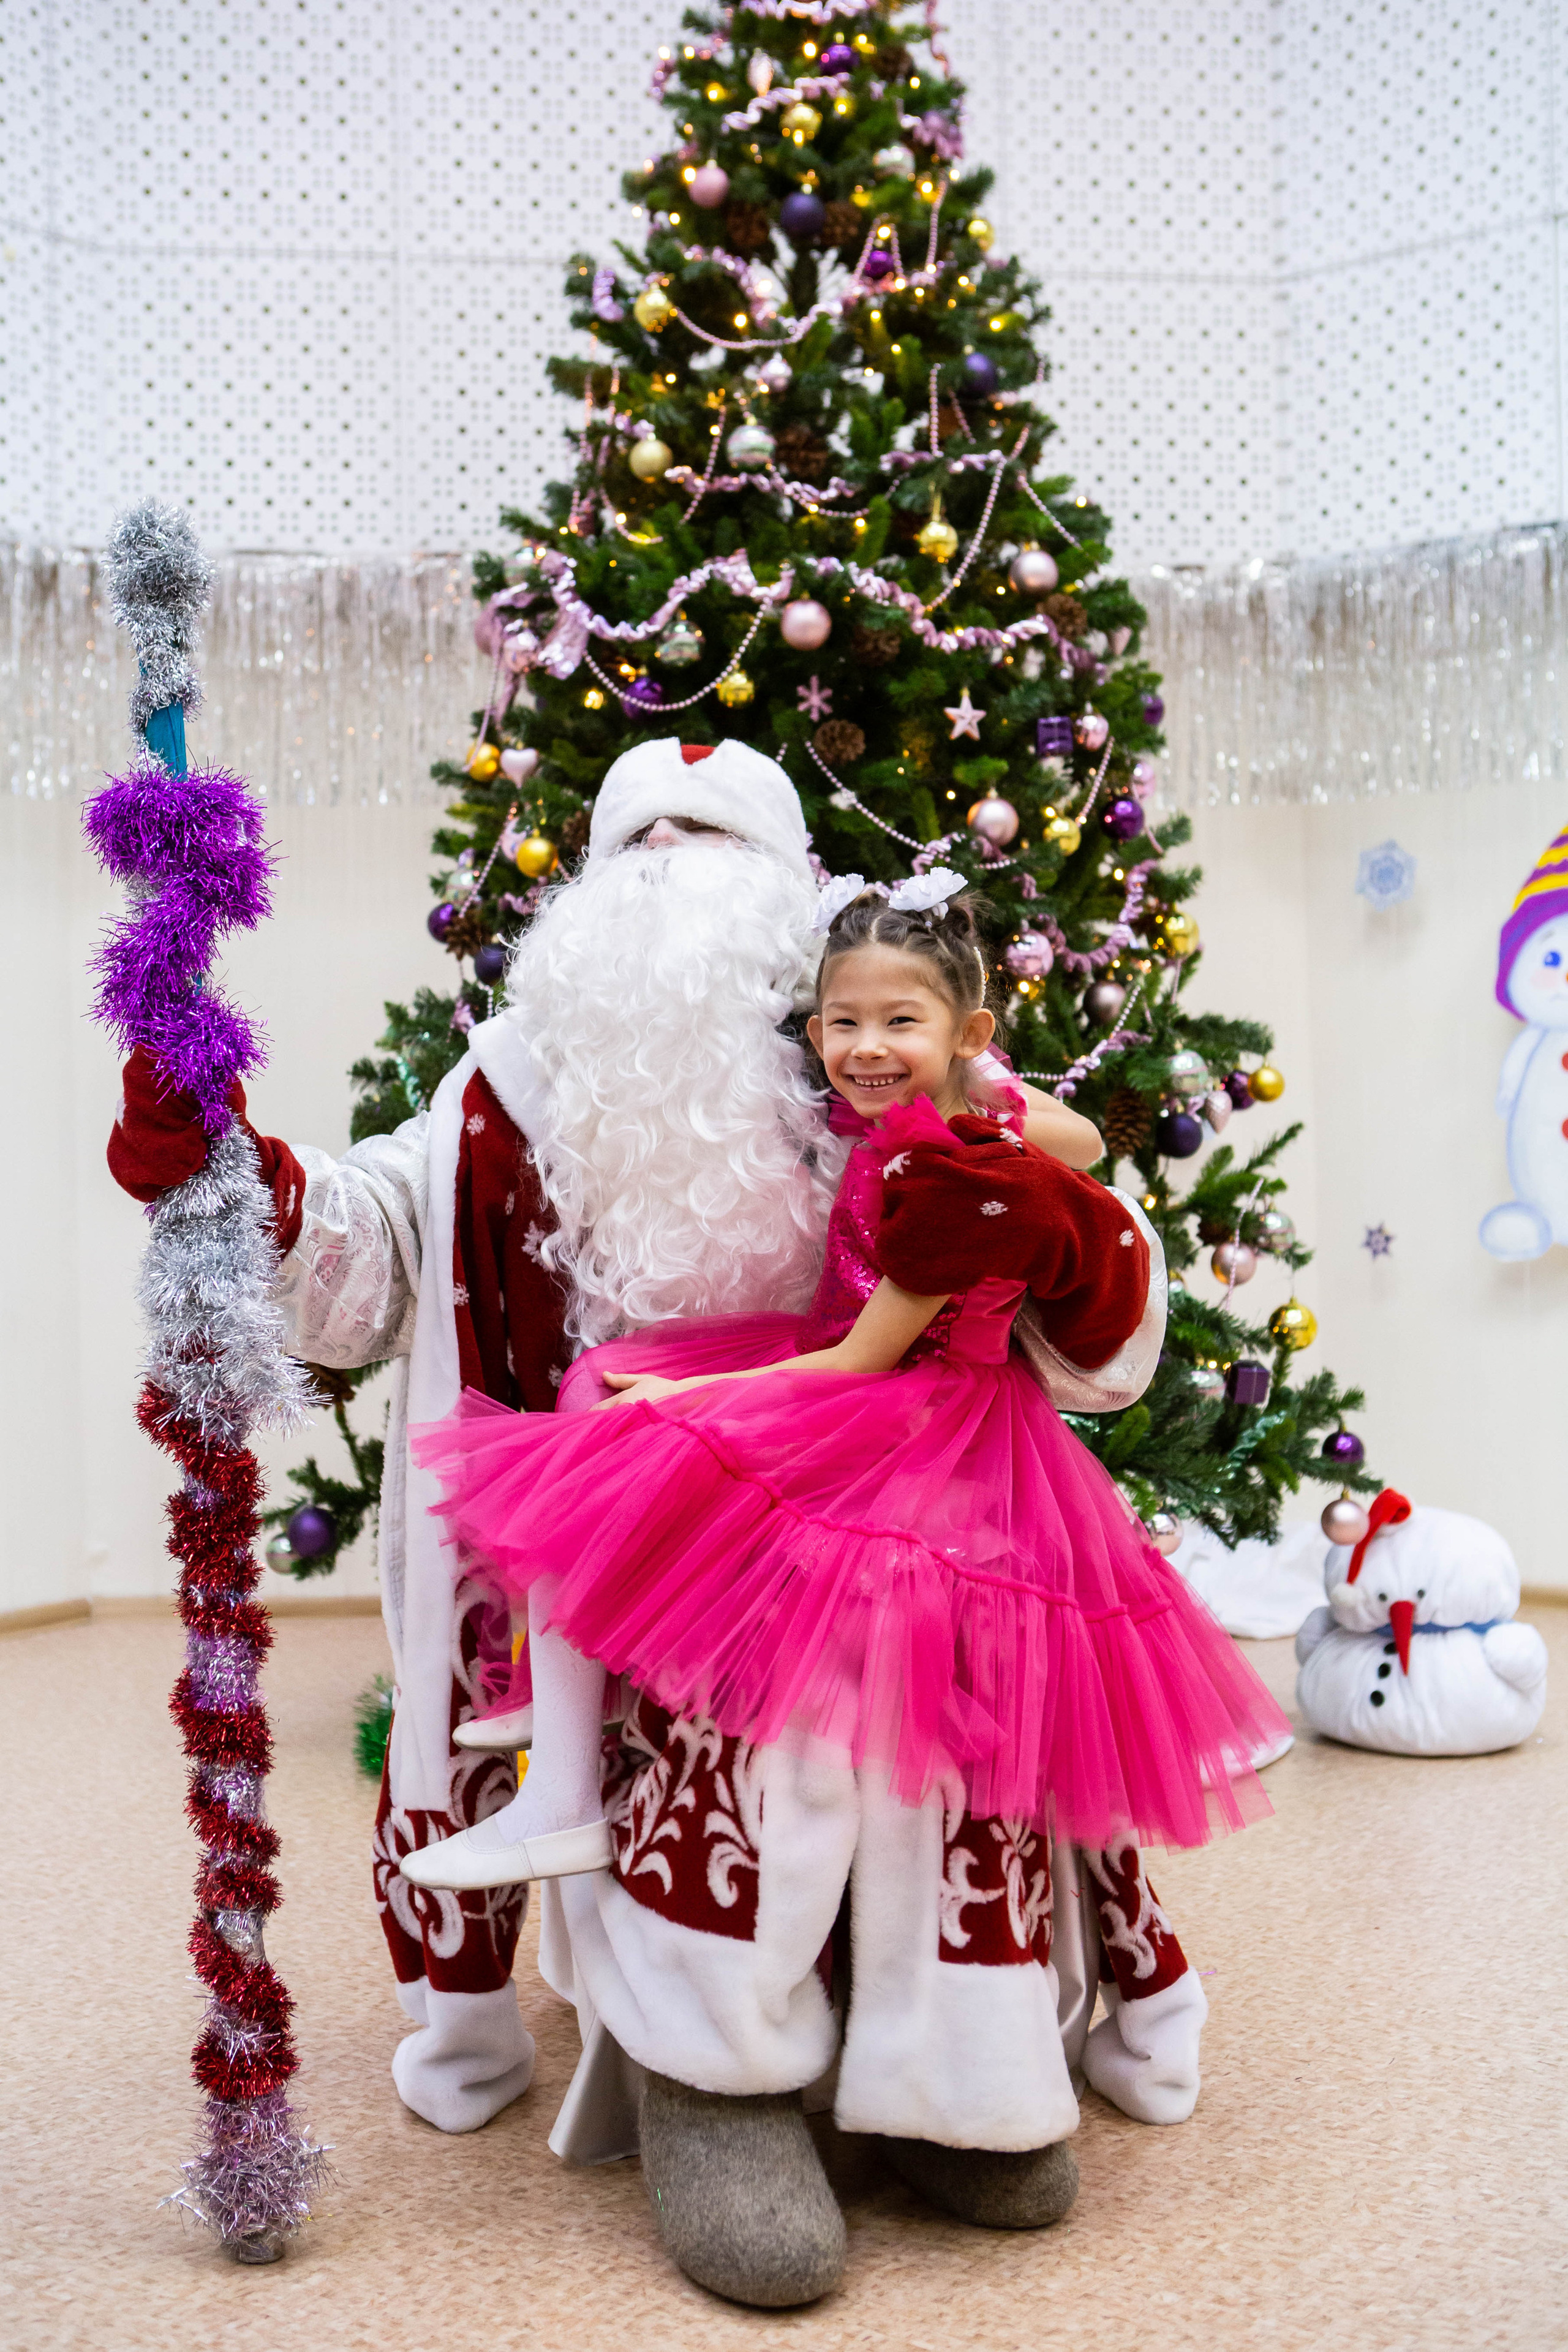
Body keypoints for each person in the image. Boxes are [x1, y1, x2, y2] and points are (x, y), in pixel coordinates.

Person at [102, 739, 1240, 2310]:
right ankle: (721, 2086)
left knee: (946, 1735)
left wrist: (1070, 1242)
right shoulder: (504, 1085)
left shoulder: (878, 1060)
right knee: (731, 1751)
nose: (671, 877)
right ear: (581, 896)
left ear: (792, 905)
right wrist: (235, 1175)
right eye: (638, 848)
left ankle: (959, 2096)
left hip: (919, 1492)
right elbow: (363, 1269)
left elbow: (1093, 1306)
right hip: (661, 1522)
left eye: (711, 845)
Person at [405, 874, 1287, 1899]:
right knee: (598, 1375)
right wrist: (961, 1074)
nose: (865, 1048)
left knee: (623, 1429)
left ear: (970, 1030)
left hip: (912, 1402)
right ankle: (562, 1698)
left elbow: (862, 1362)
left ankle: (560, 1795)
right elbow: (1083, 1138)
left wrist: (680, 1401)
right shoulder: (929, 1112)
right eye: (843, 1022)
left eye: (899, 1022)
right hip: (854, 1348)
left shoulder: (959, 1184)